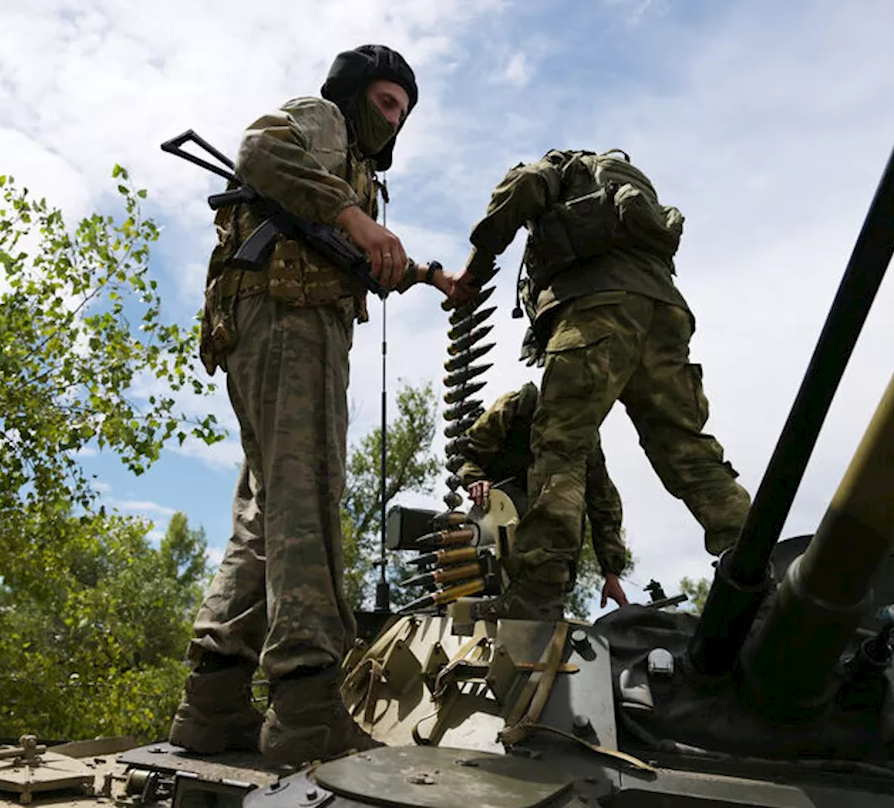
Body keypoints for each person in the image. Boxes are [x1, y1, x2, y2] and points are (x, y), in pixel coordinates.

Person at [169, 45, 456, 767]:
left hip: (275, 321)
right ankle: (305, 707)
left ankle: (214, 701)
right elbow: (261, 149)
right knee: (307, 494)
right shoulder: (324, 120)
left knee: (268, 508)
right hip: (290, 321)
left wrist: (424, 274)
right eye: (386, 103)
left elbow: (357, 252)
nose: (393, 121)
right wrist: (356, 219)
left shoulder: (350, 170)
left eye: (404, 113)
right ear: (357, 94)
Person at [446, 147, 752, 622]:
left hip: (596, 309)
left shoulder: (560, 168)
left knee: (560, 445)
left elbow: (522, 187)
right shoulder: (630, 192)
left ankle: (539, 591)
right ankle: (756, 568)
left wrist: (479, 261)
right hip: (666, 313)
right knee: (688, 451)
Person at [457, 381, 630, 609]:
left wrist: (611, 572)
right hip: (495, 526)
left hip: (551, 549)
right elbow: (469, 455)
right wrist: (475, 480)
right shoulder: (514, 407)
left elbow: (603, 501)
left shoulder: (585, 438)